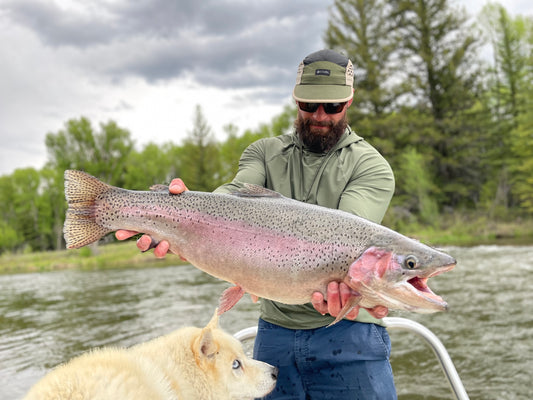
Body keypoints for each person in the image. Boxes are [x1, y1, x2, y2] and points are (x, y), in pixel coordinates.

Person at [116, 49, 397, 399]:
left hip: (351, 336)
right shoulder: (263, 153)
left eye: (332, 106)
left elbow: (352, 236)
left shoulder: (371, 166)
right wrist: (185, 211)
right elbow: (231, 198)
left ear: (349, 101)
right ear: (296, 100)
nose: (320, 115)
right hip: (275, 336)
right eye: (309, 105)